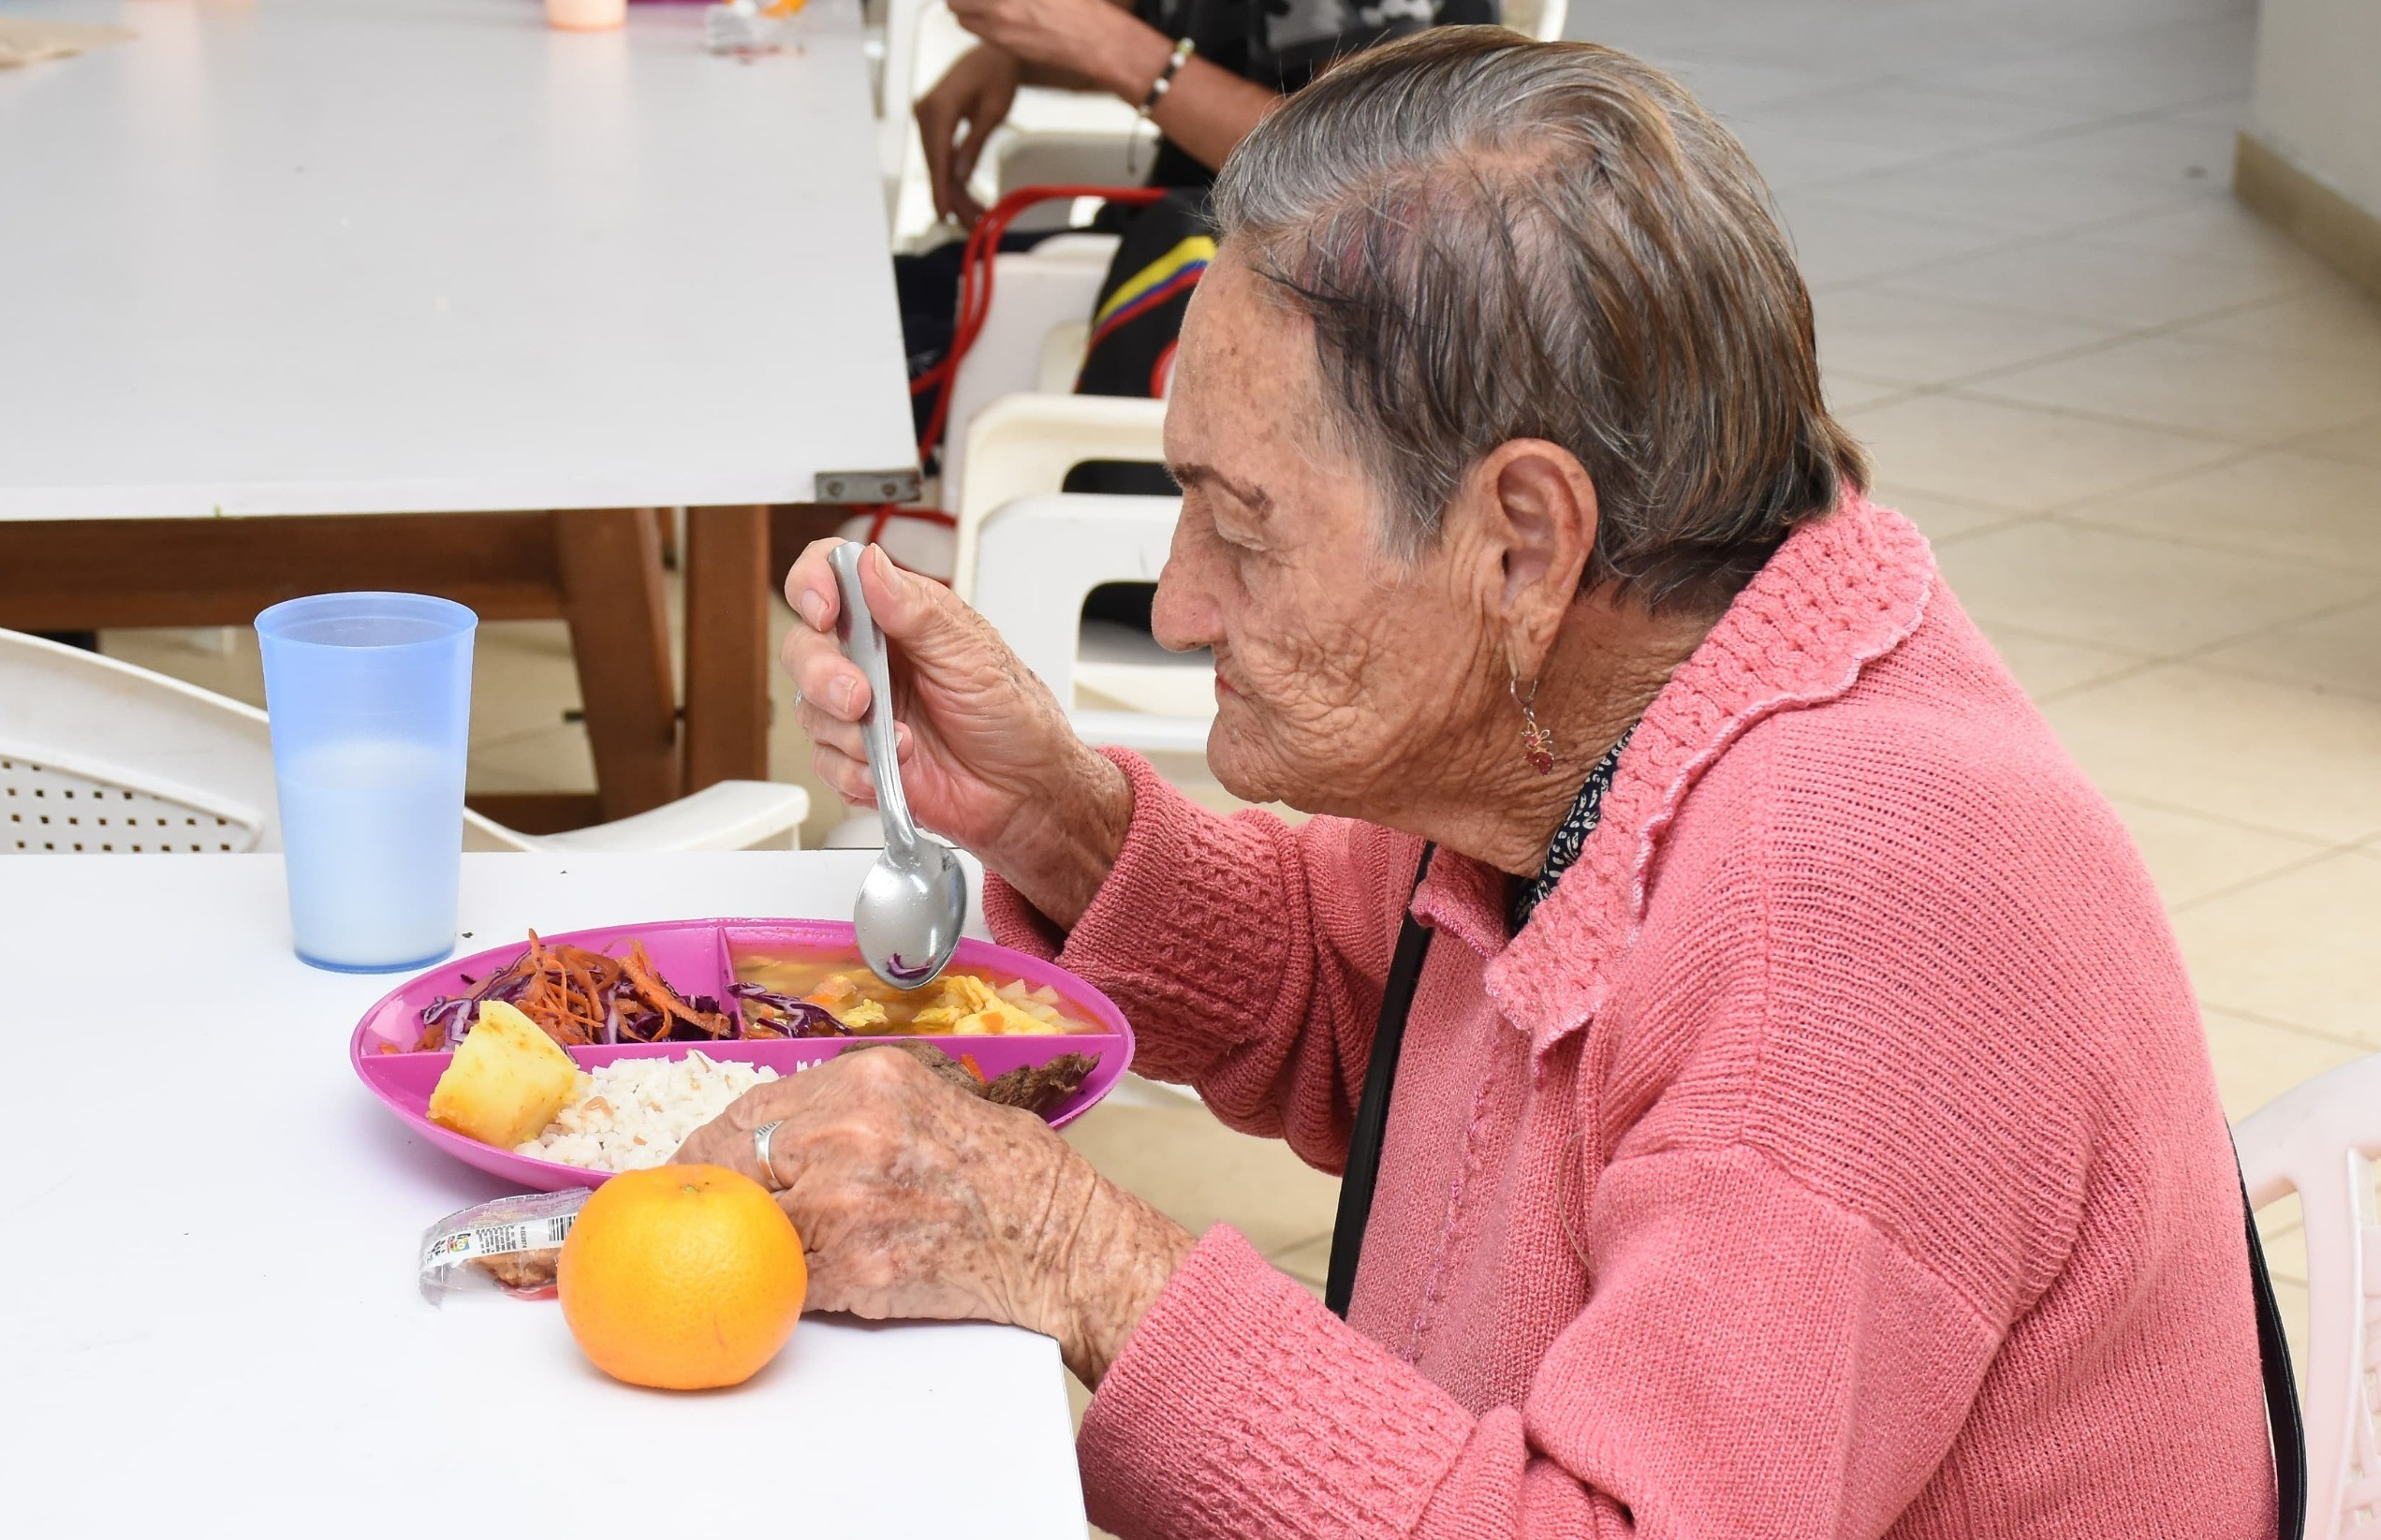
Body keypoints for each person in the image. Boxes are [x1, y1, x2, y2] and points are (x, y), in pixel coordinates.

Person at [682, 31, 2274, 1537]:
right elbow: (1386, 1021)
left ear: (1524, 541)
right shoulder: (1617, 704)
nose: (1175, 603)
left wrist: (1076, 1253)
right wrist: (1063, 826)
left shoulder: (1852, 917)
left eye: (1241, 525)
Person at [898, 0, 1497, 440]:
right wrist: (1017, 55)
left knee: (857, 393)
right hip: (1155, 252)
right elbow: (1204, 45)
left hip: (1292, 325)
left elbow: (1374, 169)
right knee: (884, 298)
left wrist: (1110, 46)